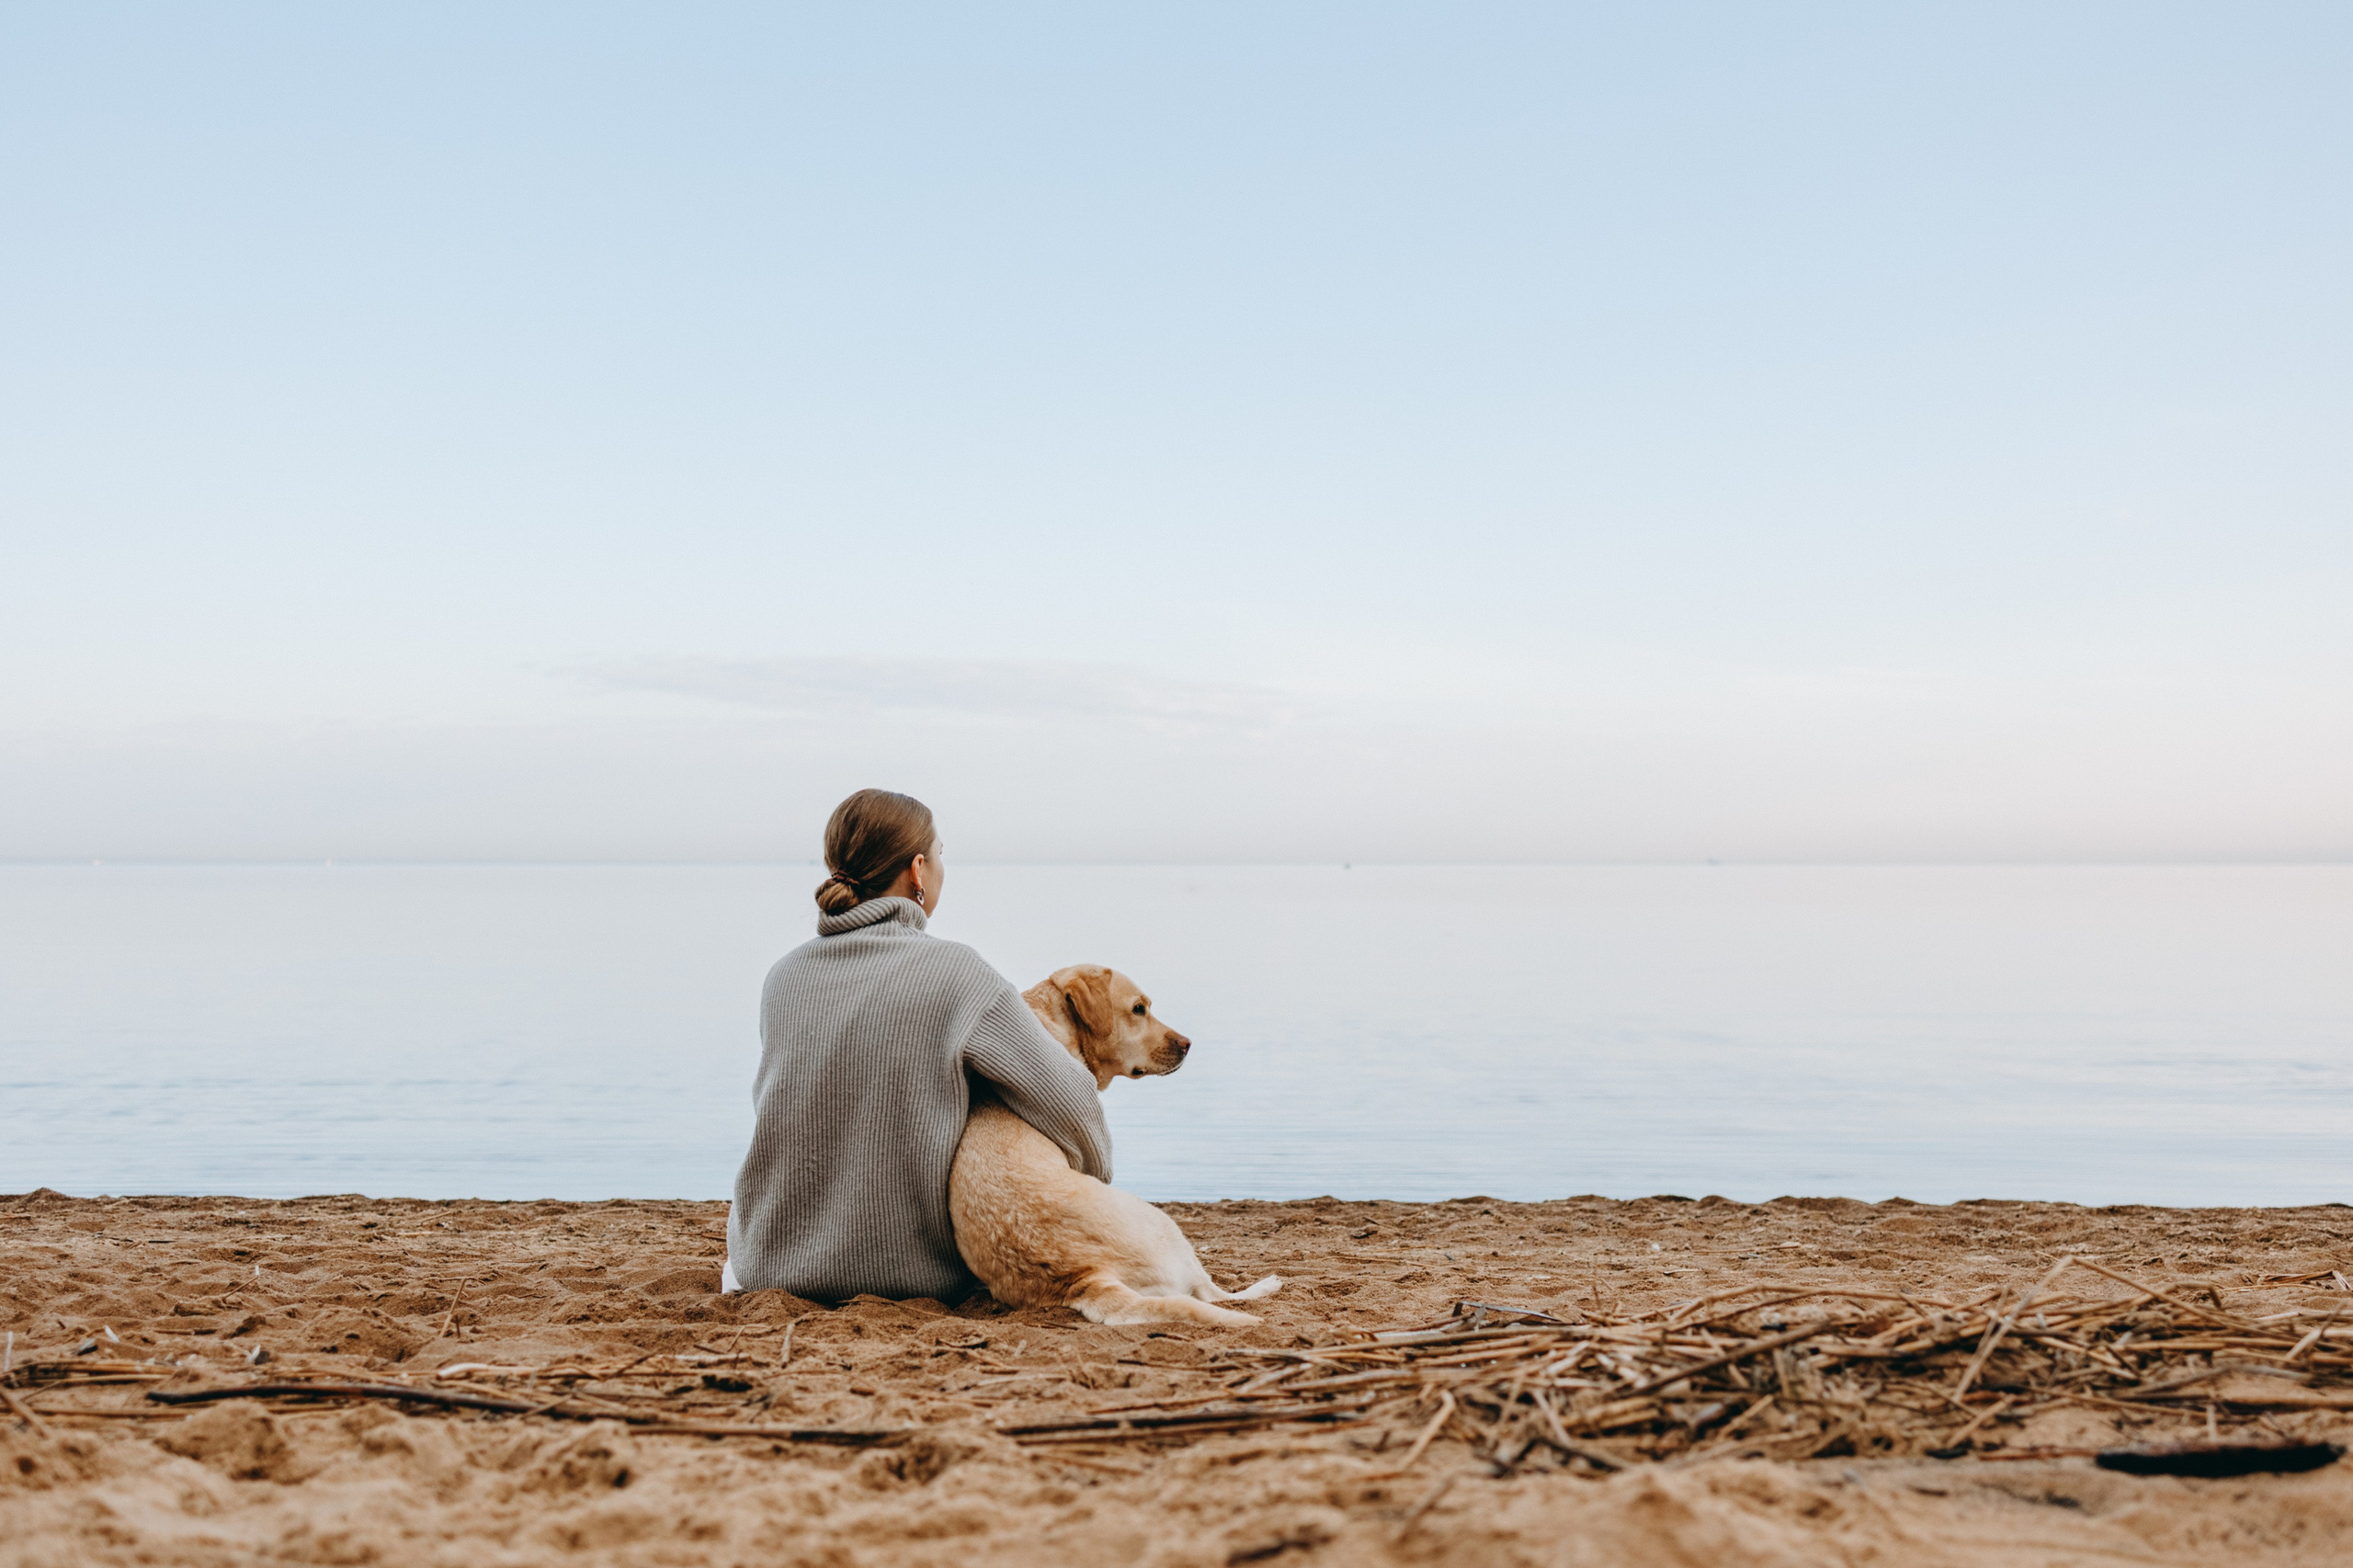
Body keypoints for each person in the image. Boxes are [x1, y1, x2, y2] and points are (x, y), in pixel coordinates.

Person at [722, 789, 1113, 1301]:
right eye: (941, 856)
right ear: (918, 870)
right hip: (909, 1277)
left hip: (766, 1266)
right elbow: (1073, 1101)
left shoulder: (784, 977)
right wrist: (1095, 1182)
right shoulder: (959, 974)